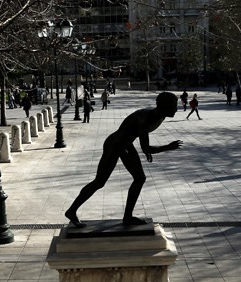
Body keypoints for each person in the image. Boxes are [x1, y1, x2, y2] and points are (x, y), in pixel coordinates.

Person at [65, 92, 183, 228]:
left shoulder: (160, 115)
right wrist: (167, 147)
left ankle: (128, 217)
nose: (176, 109)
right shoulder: (146, 118)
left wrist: (148, 150)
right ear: (165, 106)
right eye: (174, 106)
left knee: (140, 178)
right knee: (99, 182)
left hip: (126, 145)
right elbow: (146, 148)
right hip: (114, 145)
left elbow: (141, 139)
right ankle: (71, 211)